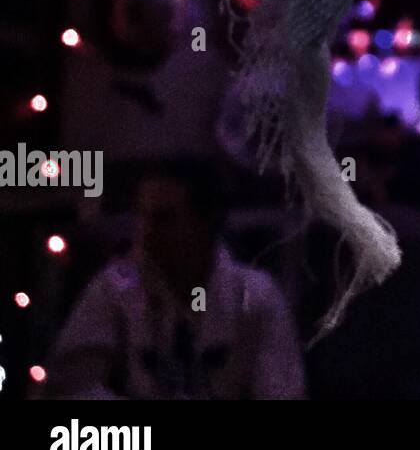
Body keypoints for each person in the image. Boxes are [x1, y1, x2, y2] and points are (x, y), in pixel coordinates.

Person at [48, 159, 306, 400]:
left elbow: (284, 394)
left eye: (164, 219)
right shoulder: (116, 287)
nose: (146, 234)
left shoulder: (255, 296)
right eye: (142, 216)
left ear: (205, 224)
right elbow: (71, 386)